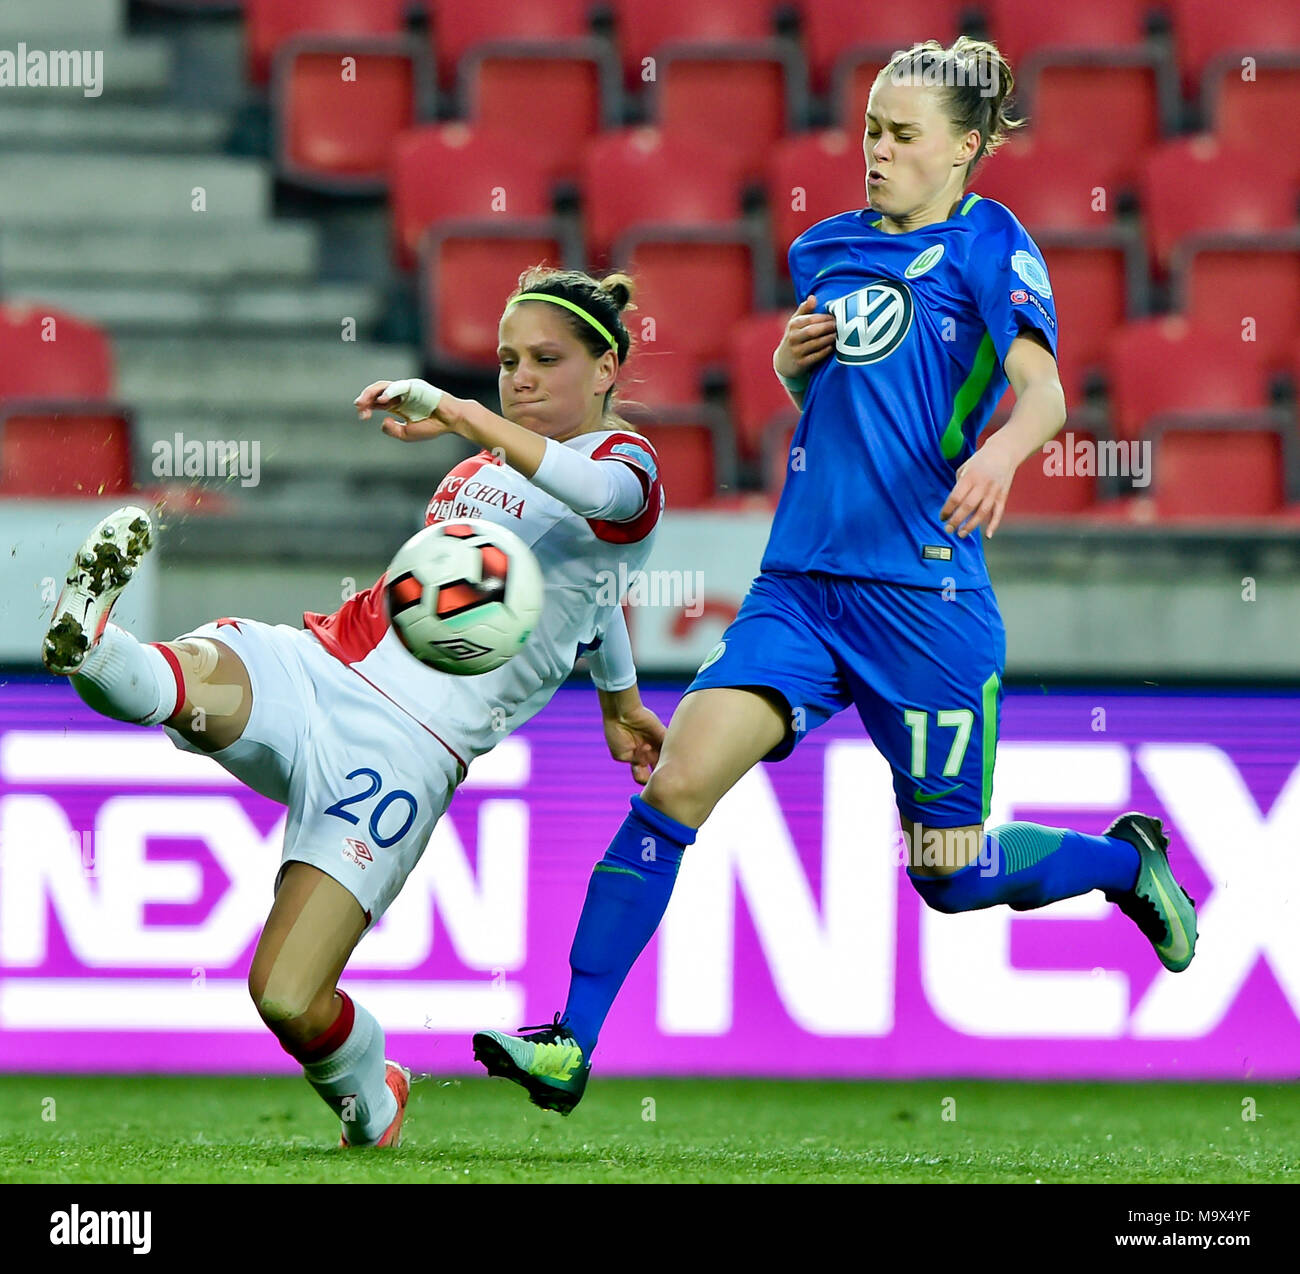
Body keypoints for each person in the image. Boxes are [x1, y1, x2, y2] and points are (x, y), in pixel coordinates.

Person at [472, 37, 1198, 1115]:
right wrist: (788, 365)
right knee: (674, 785)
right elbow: (829, 393)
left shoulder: (991, 242)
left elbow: (1041, 389)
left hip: (926, 604)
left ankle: (1121, 864)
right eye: (869, 131)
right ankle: (569, 1037)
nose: (876, 153)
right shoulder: (825, 248)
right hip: (800, 588)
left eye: (903, 137)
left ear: (963, 151)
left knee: (948, 875)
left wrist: (999, 451)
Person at [41, 266, 668, 1147]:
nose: (518, 376)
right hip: (324, 663)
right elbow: (593, 597)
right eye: (506, 360)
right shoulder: (483, 466)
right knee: (184, 683)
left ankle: (372, 1089)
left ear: (605, 369)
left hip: (408, 751)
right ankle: (92, 643)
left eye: (545, 359)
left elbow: (599, 530)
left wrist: (459, 412)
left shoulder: (626, 465)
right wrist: (619, 698)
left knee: (287, 997)